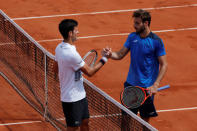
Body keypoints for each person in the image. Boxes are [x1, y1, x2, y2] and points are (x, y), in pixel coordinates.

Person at [103, 9, 168, 122]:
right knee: (126, 120)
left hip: (147, 88)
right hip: (131, 86)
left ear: (146, 23)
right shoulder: (132, 37)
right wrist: (109, 55)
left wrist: (155, 85)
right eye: (134, 22)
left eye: (137, 23)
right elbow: (119, 54)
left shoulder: (156, 41)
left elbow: (164, 64)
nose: (134, 26)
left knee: (145, 122)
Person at [53, 19, 108, 131]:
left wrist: (72, 71)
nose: (78, 32)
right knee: (73, 128)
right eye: (76, 31)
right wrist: (105, 58)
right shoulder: (72, 54)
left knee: (85, 122)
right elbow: (90, 72)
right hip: (71, 98)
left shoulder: (59, 48)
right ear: (70, 33)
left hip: (80, 95)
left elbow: (55, 69)